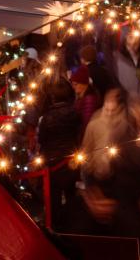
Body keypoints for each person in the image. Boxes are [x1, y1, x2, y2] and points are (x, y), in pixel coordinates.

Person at [37, 79, 82, 229]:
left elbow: (42, 139)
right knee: (72, 197)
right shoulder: (75, 113)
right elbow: (79, 135)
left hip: (53, 164)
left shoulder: (46, 118)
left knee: (53, 202)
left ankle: (56, 230)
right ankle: (73, 227)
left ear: (52, 97)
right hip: (71, 160)